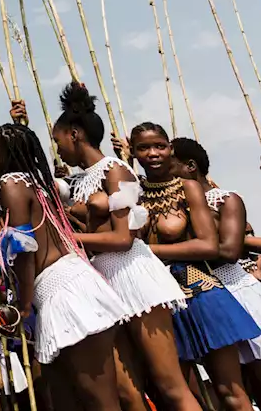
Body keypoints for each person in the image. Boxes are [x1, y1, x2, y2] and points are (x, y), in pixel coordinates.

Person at [49, 84, 199, 411]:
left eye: (58, 139)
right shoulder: (77, 181)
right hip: (103, 284)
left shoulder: (118, 170)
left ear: (74, 134)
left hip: (134, 277)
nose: (57, 148)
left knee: (170, 386)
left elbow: (123, 238)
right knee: (128, 395)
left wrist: (71, 240)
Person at [0, 119, 128, 409]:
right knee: (69, 397)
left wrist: (23, 307)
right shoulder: (36, 184)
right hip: (62, 288)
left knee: (98, 399)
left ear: (11, 156)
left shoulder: (10, 183)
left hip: (64, 292)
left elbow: (26, 251)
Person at [132, 122, 261, 411]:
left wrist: (148, 250)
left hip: (200, 292)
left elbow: (208, 246)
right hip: (157, 299)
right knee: (185, 396)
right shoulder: (133, 191)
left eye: (160, 146)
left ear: (170, 150)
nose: (152, 153)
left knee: (230, 393)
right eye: (143, 148)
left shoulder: (187, 188)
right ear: (133, 153)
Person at [171, 137, 261, 411]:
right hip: (205, 302)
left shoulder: (225, 200)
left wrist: (175, 250)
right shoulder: (173, 208)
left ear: (190, 166)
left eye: (170, 168)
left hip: (241, 295)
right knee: (234, 395)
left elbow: (230, 250)